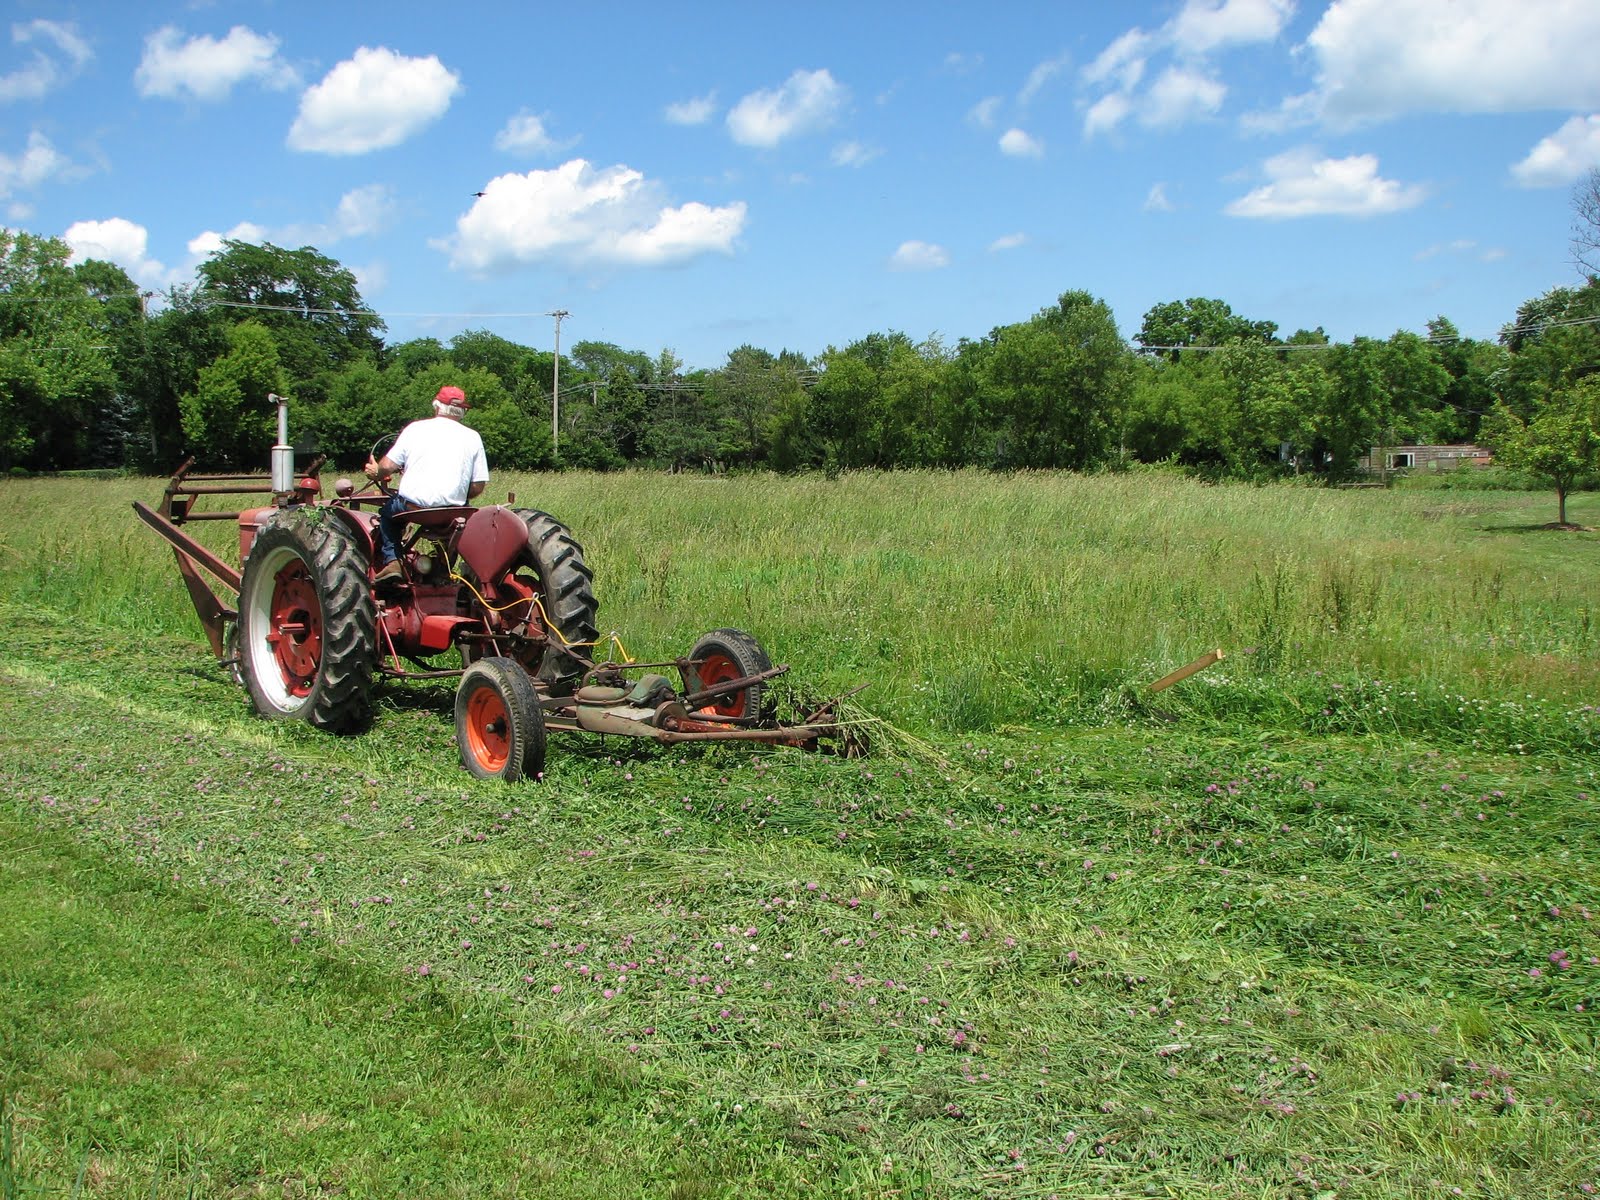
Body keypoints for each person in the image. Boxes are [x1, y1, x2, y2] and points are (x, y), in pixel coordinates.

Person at [363, 385, 489, 583]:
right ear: (462, 410)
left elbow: (387, 467)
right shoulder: (473, 437)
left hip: (414, 508)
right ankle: (442, 569)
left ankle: (393, 561)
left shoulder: (415, 429)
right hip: (452, 511)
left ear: (437, 406)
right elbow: (478, 486)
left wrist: (375, 472)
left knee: (388, 515)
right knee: (454, 530)